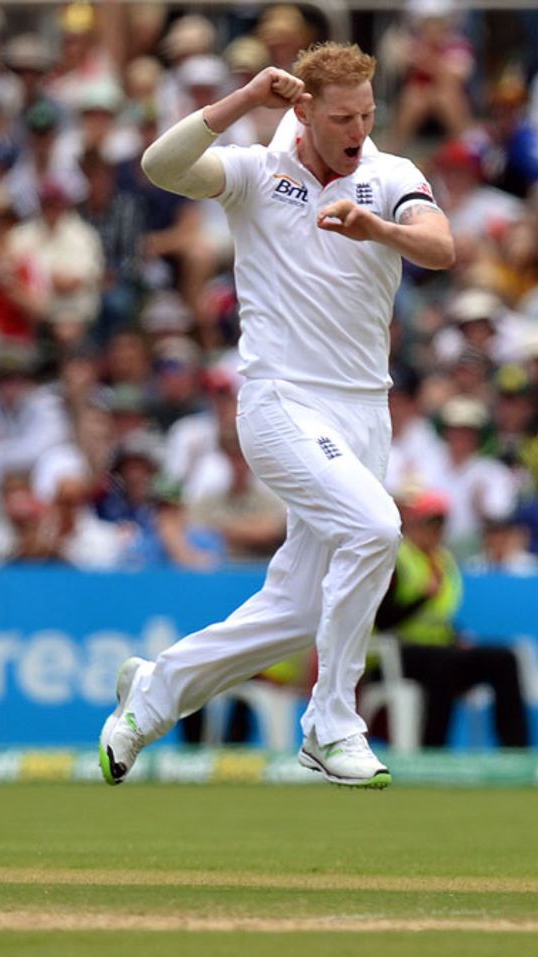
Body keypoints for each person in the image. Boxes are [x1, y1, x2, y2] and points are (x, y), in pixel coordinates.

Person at [98, 44, 455, 790]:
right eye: (341, 116)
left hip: (364, 411)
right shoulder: (256, 172)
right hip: (280, 400)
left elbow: (442, 245)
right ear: (301, 108)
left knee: (296, 611)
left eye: (367, 112)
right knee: (376, 528)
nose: (358, 128)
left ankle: (152, 694)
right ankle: (330, 722)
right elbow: (161, 167)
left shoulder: (390, 177)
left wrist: (378, 231)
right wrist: (241, 98)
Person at [374, 490, 530, 747]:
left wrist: (458, 636)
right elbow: (383, 620)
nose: (434, 532)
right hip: (396, 653)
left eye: (439, 525)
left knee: (504, 659)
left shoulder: (444, 562)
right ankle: (433, 747)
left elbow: (440, 618)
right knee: (445, 664)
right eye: (428, 524)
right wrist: (423, 598)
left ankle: (514, 749)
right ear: (412, 524)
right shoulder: (395, 559)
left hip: (438, 649)